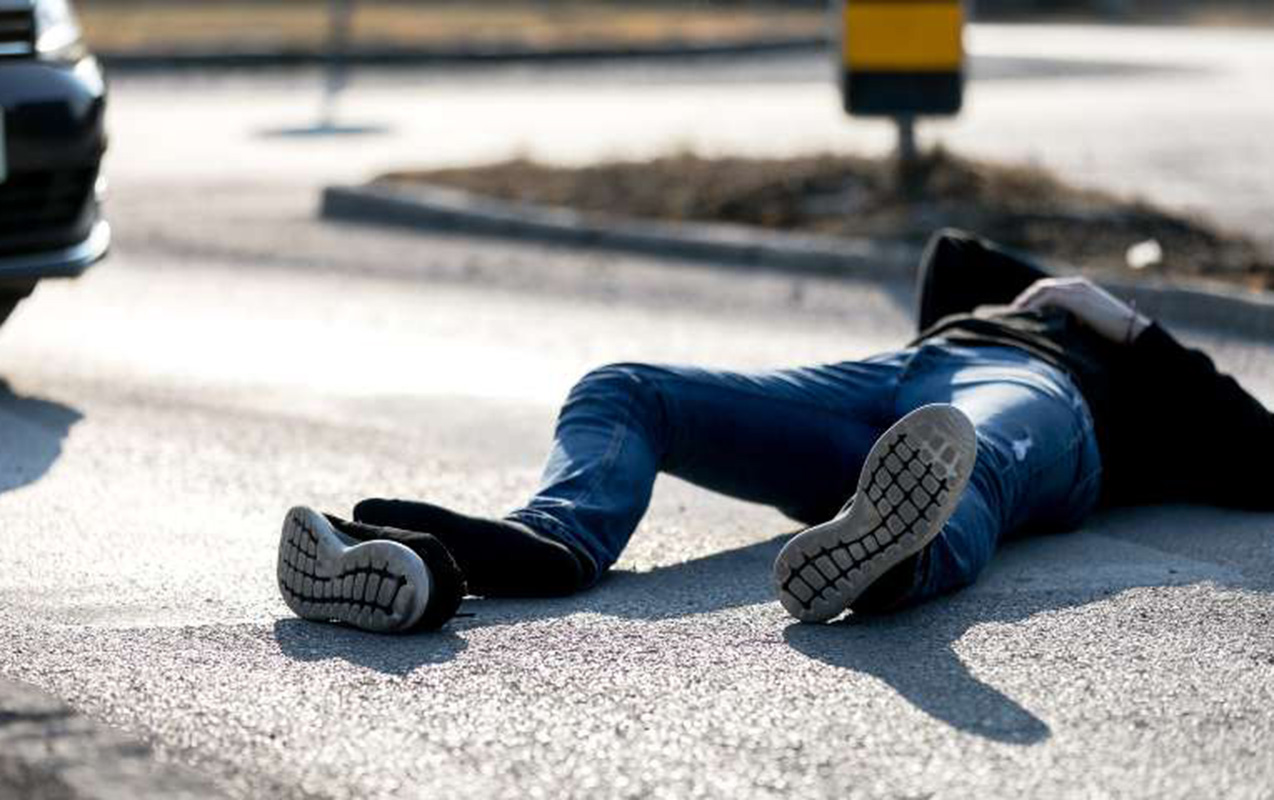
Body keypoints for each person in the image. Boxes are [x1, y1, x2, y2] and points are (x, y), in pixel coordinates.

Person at [275, 229, 1274, 634]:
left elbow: (1260, 453)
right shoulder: (976, 298)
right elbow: (954, 258)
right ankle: (534, 544)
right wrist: (1039, 292)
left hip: (1034, 399)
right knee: (627, 388)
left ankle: (891, 556)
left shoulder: (1135, 379)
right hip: (887, 382)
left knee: (960, 454)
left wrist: (1124, 324)